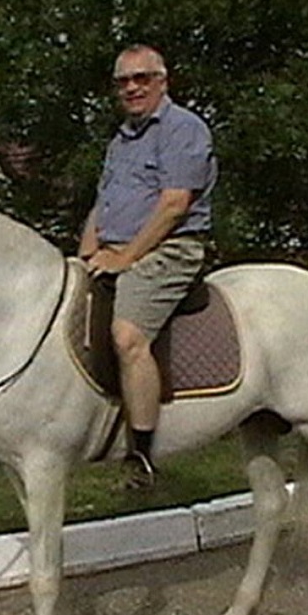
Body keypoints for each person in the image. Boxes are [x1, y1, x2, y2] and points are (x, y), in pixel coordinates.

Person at [79, 44, 217, 488]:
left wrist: (125, 257)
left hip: (171, 248)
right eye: (123, 81)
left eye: (142, 78)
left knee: (128, 335)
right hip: (118, 248)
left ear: (163, 81)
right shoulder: (121, 139)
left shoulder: (183, 129)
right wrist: (85, 254)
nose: (132, 88)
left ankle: (141, 455)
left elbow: (174, 205)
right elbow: (103, 204)